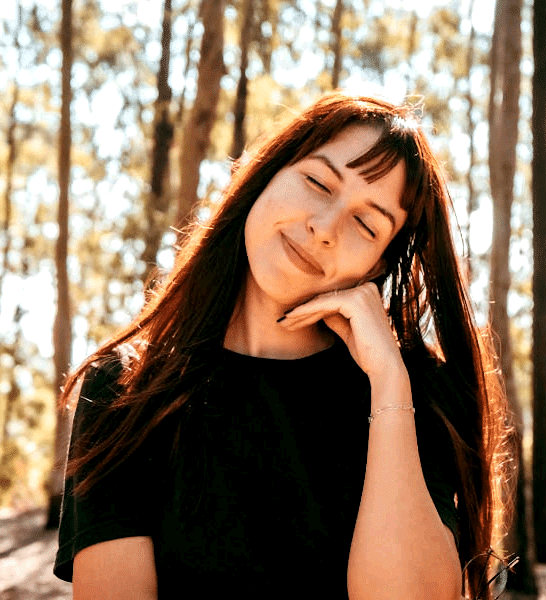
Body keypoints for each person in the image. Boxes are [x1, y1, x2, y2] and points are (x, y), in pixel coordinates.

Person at [53, 92, 516, 600]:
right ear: (264, 176)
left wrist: (388, 387)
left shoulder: (415, 394)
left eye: (366, 224)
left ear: (379, 265)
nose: (324, 228)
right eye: (318, 182)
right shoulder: (124, 391)